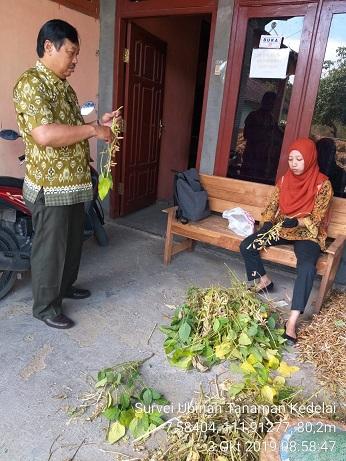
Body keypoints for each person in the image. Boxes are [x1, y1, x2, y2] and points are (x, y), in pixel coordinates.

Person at [13, 19, 118, 329]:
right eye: (71, 53)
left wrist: (101, 122)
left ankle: (64, 286)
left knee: (73, 242)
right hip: (51, 184)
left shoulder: (63, 86)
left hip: (74, 181)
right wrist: (94, 130)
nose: (74, 60)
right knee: (51, 248)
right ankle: (45, 306)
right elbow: (45, 134)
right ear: (49, 47)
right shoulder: (32, 83)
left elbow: (74, 129)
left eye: (76, 54)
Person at [240, 138, 333, 344]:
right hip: (283, 228)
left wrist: (298, 221)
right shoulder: (285, 180)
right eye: (291, 158)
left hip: (307, 233)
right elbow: (273, 205)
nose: (294, 163)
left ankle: (291, 322)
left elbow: (317, 218)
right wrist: (266, 224)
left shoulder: (322, 184)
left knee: (307, 267)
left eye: (299, 159)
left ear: (309, 158)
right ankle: (264, 281)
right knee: (248, 245)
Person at [240, 91, 283, 183]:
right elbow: (246, 134)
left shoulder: (272, 119)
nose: (273, 105)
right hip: (251, 158)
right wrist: (264, 134)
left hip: (264, 161)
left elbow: (278, 136)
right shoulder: (253, 116)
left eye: (274, 103)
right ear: (264, 101)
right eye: (271, 102)